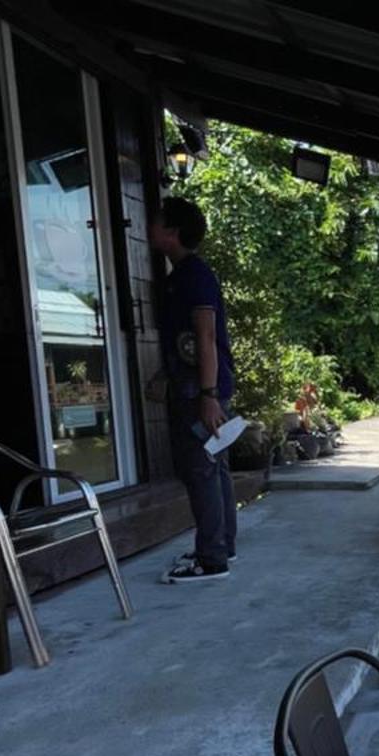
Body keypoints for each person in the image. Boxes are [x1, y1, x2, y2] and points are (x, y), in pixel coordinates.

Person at [149, 196, 237, 584]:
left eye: (157, 221)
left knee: (202, 469)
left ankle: (212, 559)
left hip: (199, 392)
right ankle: (221, 545)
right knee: (214, 467)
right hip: (195, 387)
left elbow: (204, 339)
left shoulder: (194, 276)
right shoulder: (182, 276)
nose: (149, 226)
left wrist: (208, 395)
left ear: (172, 231)